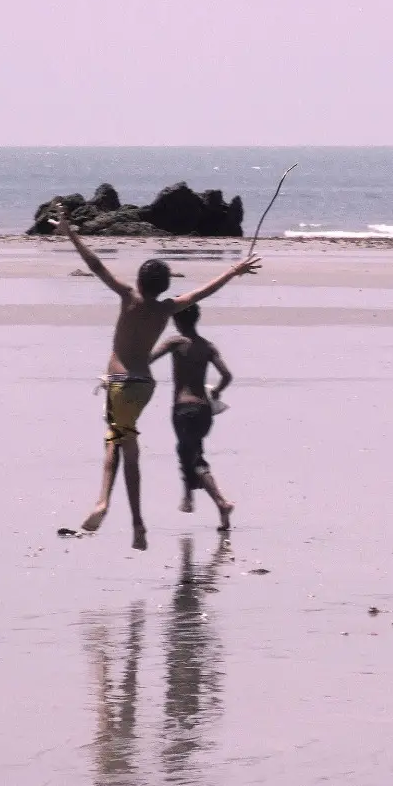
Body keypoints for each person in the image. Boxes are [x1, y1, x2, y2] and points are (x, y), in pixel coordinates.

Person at [52, 201, 260, 550]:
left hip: (119, 383)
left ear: (139, 281)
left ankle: (106, 504)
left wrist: (72, 234)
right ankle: (137, 528)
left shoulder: (128, 297)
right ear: (164, 286)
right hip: (145, 386)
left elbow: (96, 265)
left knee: (113, 445)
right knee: (127, 446)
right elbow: (202, 292)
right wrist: (233, 270)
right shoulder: (166, 309)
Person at [151, 304, 236, 530]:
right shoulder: (208, 347)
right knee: (187, 451)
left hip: (183, 409)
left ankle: (220, 502)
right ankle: (189, 497)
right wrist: (217, 391)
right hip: (205, 412)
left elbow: (148, 359)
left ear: (176, 321)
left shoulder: (176, 342)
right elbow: (227, 375)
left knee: (194, 458)